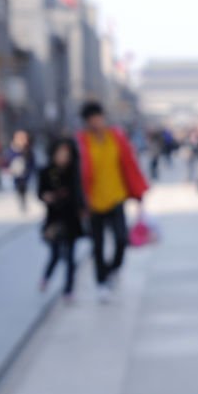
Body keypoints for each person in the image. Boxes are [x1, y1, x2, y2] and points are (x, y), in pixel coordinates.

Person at [76, 101, 149, 303]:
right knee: (97, 245)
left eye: (99, 118)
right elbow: (78, 174)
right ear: (87, 122)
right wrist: (80, 203)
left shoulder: (116, 138)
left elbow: (129, 165)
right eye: (92, 119)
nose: (96, 122)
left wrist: (138, 192)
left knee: (121, 239)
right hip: (93, 203)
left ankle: (112, 269)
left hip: (116, 197)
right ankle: (101, 282)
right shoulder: (82, 143)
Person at [37, 138, 85, 302]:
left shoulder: (74, 173)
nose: (63, 158)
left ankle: (69, 290)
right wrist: (46, 197)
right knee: (56, 253)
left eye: (66, 154)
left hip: (71, 218)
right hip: (53, 219)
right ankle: (46, 277)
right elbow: (40, 192)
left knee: (71, 257)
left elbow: (80, 195)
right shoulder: (46, 172)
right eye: (60, 154)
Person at [4, 130, 36, 211]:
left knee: (23, 189)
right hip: (15, 176)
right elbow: (6, 162)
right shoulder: (11, 150)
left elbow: (32, 163)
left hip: (26, 176)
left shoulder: (28, 151)